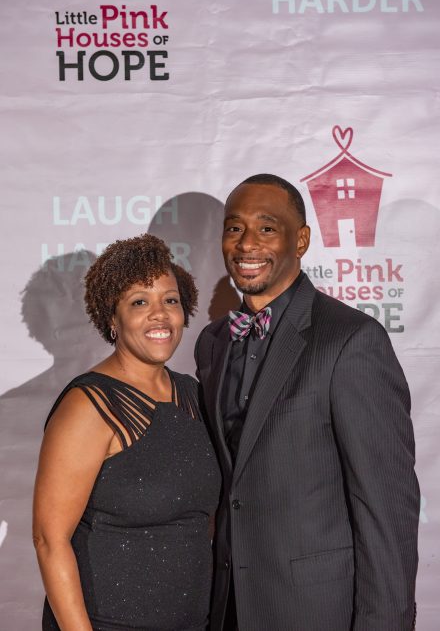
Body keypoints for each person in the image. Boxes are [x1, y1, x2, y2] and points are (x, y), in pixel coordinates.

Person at [195, 174, 419, 631]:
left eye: (266, 228)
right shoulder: (213, 342)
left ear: (301, 241)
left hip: (316, 611)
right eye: (234, 228)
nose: (246, 244)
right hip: (227, 609)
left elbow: (385, 505)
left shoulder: (349, 340)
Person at [33, 234, 221, 631]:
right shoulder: (89, 405)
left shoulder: (194, 395)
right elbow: (50, 541)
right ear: (112, 320)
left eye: (170, 300)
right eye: (140, 302)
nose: (160, 315)